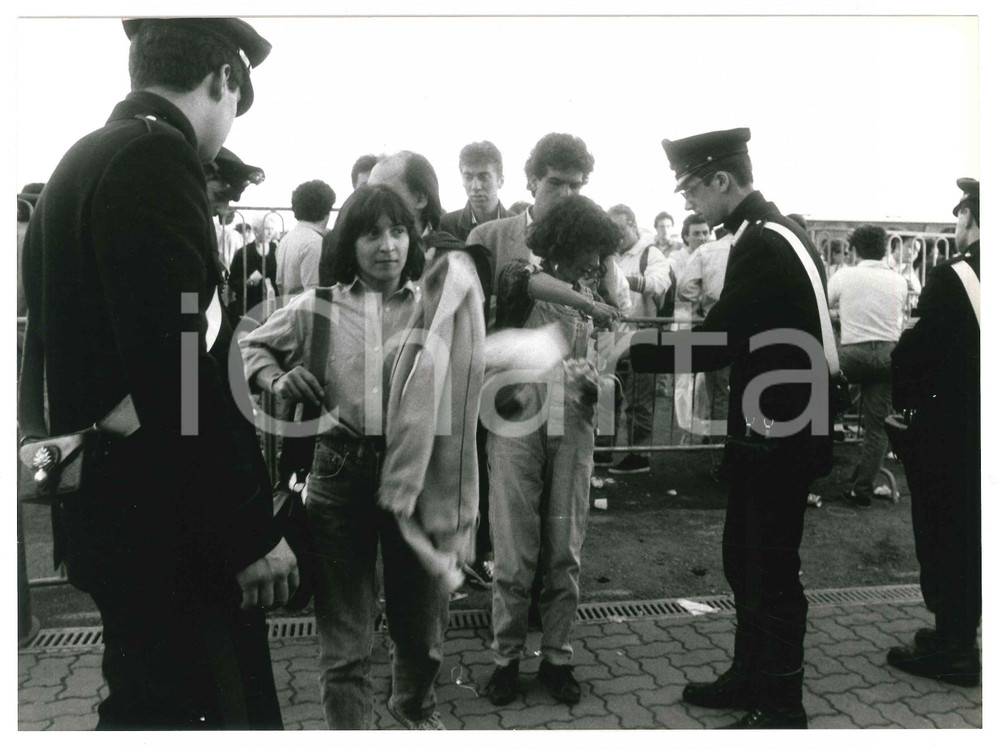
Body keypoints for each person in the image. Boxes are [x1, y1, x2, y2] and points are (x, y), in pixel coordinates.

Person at [18, 18, 296, 729]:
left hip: (114, 511)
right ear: (224, 78)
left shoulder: (81, 160)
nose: (225, 136)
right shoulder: (156, 158)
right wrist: (245, 531)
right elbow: (180, 372)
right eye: (236, 106)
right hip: (175, 530)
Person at [625, 128, 833, 729]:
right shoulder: (777, 232)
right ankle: (750, 676)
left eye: (692, 188)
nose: (689, 201)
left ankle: (782, 703)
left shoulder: (761, 243)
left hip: (779, 434)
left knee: (769, 567)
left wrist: (631, 348)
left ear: (722, 179)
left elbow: (718, 341)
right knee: (746, 559)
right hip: (780, 427)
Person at [242, 184, 465, 730]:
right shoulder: (316, 307)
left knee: (422, 632)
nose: (387, 246)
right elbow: (250, 346)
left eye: (398, 232)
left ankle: (414, 712)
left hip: (416, 475)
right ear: (350, 242)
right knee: (345, 644)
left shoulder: (435, 308)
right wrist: (276, 378)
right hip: (339, 474)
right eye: (371, 234)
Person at [483, 194, 620, 707]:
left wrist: (594, 385)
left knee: (565, 551)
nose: (597, 263)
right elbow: (528, 281)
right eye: (591, 251)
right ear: (566, 244)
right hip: (515, 425)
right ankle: (505, 659)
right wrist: (590, 305)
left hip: (574, 426)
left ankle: (557, 657)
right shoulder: (521, 277)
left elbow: (607, 380)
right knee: (514, 553)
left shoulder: (592, 300)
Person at [887, 178, 980, 687]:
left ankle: (956, 645)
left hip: (956, 433)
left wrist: (907, 408)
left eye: (960, 215)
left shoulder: (954, 277)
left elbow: (914, 354)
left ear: (970, 218)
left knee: (949, 534)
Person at [827, 225, 908, 507]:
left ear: (854, 250)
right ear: (884, 249)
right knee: (877, 427)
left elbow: (823, 305)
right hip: (888, 355)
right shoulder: (899, 281)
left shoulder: (844, 276)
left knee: (821, 405)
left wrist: (842, 316)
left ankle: (811, 470)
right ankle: (862, 489)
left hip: (853, 354)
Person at [605, 203, 671, 474]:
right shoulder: (610, 253)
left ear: (632, 225)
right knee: (606, 395)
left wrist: (623, 281)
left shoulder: (650, 252)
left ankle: (639, 454)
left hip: (643, 332)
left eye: (619, 229)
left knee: (640, 398)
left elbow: (660, 282)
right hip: (613, 334)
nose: (615, 236)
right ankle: (604, 451)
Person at [677, 227, 735, 442]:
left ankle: (720, 448)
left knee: (720, 390)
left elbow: (685, 287)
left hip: (718, 322)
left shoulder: (708, 251)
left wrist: (703, 302)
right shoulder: (760, 244)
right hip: (752, 325)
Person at [440, 141, 511, 242]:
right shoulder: (445, 226)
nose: (475, 186)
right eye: (468, 177)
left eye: (484, 177)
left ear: (500, 181)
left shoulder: (520, 226)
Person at [276, 179, 335, 299]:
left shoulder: (286, 239)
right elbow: (313, 293)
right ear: (326, 210)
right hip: (305, 308)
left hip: (288, 304)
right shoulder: (315, 243)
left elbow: (279, 283)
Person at [229, 215, 279, 323]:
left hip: (272, 306)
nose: (270, 233)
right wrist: (249, 282)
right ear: (256, 230)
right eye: (267, 229)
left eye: (272, 229)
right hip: (250, 307)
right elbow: (232, 281)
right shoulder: (244, 253)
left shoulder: (276, 250)